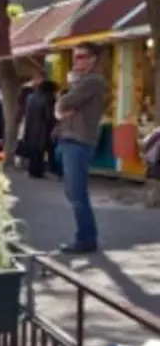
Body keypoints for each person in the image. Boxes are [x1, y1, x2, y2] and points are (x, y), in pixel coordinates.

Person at [55, 45, 108, 254]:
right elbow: (60, 107)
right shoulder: (81, 82)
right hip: (69, 139)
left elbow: (66, 102)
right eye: (74, 56)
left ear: (92, 59)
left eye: (80, 57)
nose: (75, 61)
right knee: (72, 191)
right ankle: (86, 236)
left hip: (79, 140)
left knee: (77, 192)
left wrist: (64, 104)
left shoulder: (92, 81)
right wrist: (62, 107)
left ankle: (86, 238)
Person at [22, 78, 58, 179]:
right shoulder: (46, 99)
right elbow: (48, 116)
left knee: (34, 150)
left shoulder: (30, 97)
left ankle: (33, 170)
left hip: (31, 126)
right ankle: (44, 170)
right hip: (43, 128)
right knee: (43, 150)